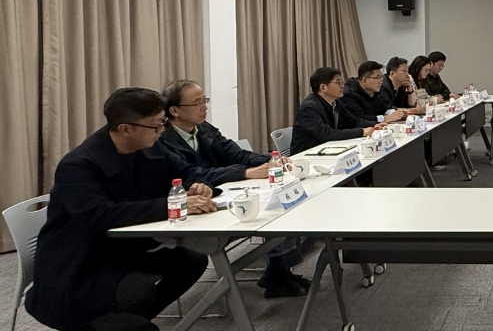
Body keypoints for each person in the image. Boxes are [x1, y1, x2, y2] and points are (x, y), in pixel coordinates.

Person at [25, 88, 217, 331]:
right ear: (125, 129)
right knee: (135, 292)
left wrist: (198, 185)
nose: (161, 131)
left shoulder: (150, 147)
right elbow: (100, 216)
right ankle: (105, 325)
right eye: (156, 125)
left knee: (191, 261)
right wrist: (173, 205)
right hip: (82, 262)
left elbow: (188, 171)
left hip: (126, 247)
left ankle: (130, 322)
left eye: (162, 123)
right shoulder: (79, 165)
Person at [156, 80, 310, 298]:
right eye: (197, 103)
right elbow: (193, 174)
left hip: (224, 194)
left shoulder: (205, 130)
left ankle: (279, 271)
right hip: (197, 206)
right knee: (270, 210)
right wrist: (245, 172)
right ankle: (277, 274)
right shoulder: (163, 141)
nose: (204, 107)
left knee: (282, 202)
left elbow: (237, 154)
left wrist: (272, 161)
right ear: (174, 111)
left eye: (205, 100)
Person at [290, 67, 382, 155]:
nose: (343, 86)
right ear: (323, 87)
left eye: (342, 82)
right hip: (306, 156)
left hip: (328, 150)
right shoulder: (309, 108)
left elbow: (354, 121)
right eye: (338, 83)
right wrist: (362, 132)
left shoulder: (336, 102)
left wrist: (375, 124)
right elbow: (327, 134)